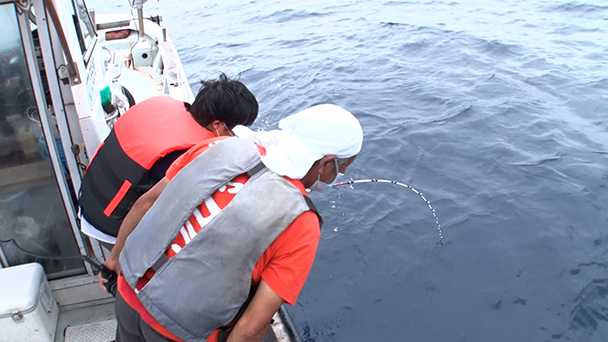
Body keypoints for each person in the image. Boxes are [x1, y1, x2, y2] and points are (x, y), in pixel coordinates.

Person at [105, 103, 363, 342]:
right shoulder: (302, 221)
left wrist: (113, 261)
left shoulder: (216, 146)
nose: (341, 175)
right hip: (177, 332)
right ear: (326, 162)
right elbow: (250, 328)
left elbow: (145, 204)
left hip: (127, 291)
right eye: (341, 168)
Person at [78, 74, 258, 247]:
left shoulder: (159, 103)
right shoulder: (192, 155)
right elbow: (150, 205)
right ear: (217, 125)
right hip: (110, 229)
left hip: (89, 201)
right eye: (237, 129)